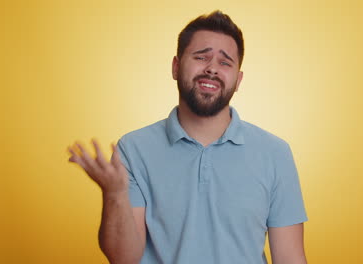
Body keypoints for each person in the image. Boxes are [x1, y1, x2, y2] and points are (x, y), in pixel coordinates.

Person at [68, 10, 308, 264]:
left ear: (238, 80)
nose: (212, 69)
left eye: (225, 62)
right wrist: (115, 194)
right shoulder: (133, 149)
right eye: (201, 57)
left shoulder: (275, 153)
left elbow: (290, 257)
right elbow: (123, 258)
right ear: (175, 66)